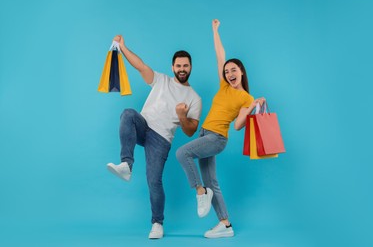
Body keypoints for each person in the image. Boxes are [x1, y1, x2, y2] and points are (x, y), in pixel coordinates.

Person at [176, 19, 265, 238]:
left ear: (241, 72)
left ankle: (199, 191)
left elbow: (237, 126)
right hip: (204, 134)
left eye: (233, 70)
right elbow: (219, 55)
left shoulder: (246, 97)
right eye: (227, 72)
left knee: (182, 152)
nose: (229, 74)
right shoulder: (224, 86)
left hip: (216, 138)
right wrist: (215, 30)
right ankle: (225, 224)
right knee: (212, 182)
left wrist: (252, 107)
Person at [106, 35, 202, 239]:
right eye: (178, 65)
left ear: (191, 67)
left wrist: (182, 115)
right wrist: (122, 47)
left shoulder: (194, 98)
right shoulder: (161, 80)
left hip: (161, 139)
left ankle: (157, 223)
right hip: (144, 125)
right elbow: (140, 66)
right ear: (173, 67)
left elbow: (190, 130)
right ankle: (126, 166)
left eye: (186, 65)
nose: (182, 69)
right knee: (128, 114)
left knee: (154, 181)